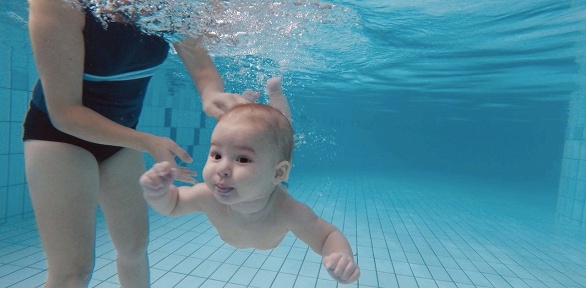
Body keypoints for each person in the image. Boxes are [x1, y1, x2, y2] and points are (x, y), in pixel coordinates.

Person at [23, 1, 257, 287]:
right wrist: (146, 142)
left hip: (121, 138)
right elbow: (64, 113)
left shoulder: (167, 5)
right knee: (73, 271)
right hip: (59, 136)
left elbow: (193, 50)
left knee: (134, 249)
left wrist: (211, 93)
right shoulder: (60, 4)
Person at [139, 77, 361, 284]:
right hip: (263, 182)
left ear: (276, 174)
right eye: (216, 155)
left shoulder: (287, 210)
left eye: (243, 159)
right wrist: (157, 193)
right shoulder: (207, 195)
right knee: (263, 137)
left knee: (282, 139)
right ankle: (247, 107)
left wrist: (341, 259)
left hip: (273, 188)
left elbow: (327, 237)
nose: (222, 169)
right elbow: (173, 204)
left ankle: (276, 94)